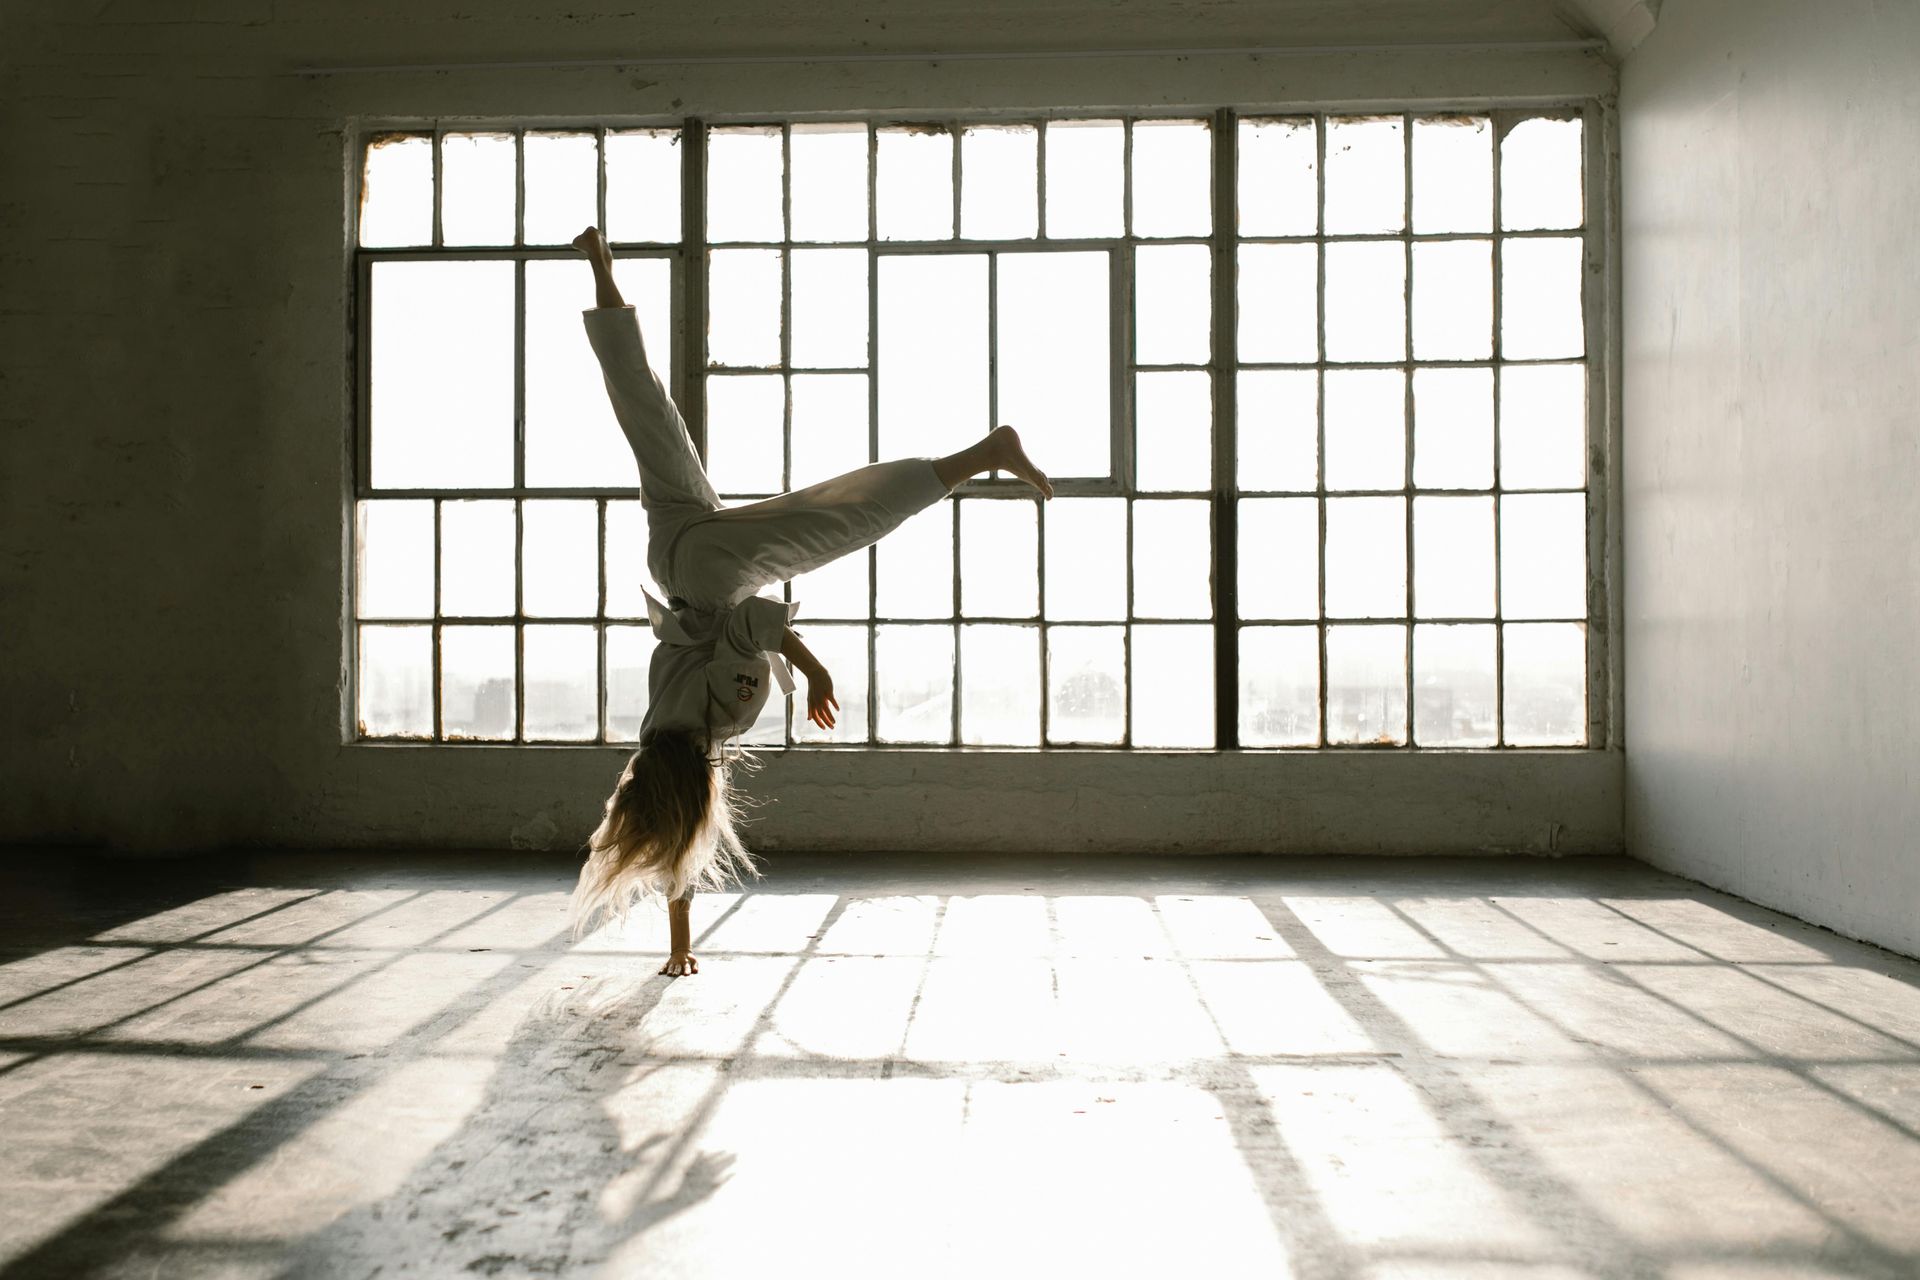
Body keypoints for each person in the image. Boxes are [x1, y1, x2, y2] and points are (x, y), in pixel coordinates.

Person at [567, 227, 1053, 975]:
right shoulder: (659, 737)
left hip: (707, 572)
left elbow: (755, 620)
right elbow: (676, 860)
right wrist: (680, 953)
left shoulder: (715, 716)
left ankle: (986, 452)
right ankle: (600, 265)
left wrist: (815, 672)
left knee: (838, 522)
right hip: (673, 548)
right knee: (646, 412)